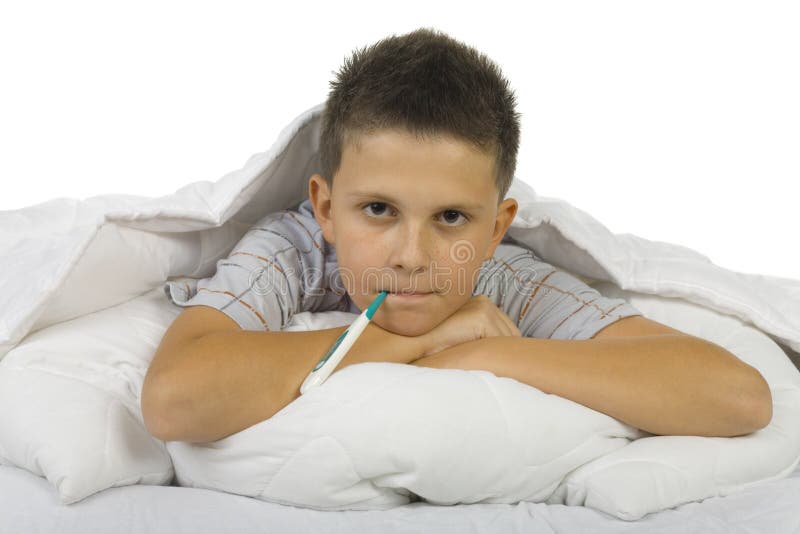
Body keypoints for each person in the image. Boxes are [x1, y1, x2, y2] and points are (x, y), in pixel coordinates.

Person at [142, 27, 771, 444]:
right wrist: (421, 341)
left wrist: (486, 353)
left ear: (496, 228)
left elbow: (736, 398)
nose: (413, 259)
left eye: (450, 218)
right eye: (379, 209)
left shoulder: (497, 274)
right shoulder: (294, 251)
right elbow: (175, 401)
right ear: (326, 208)